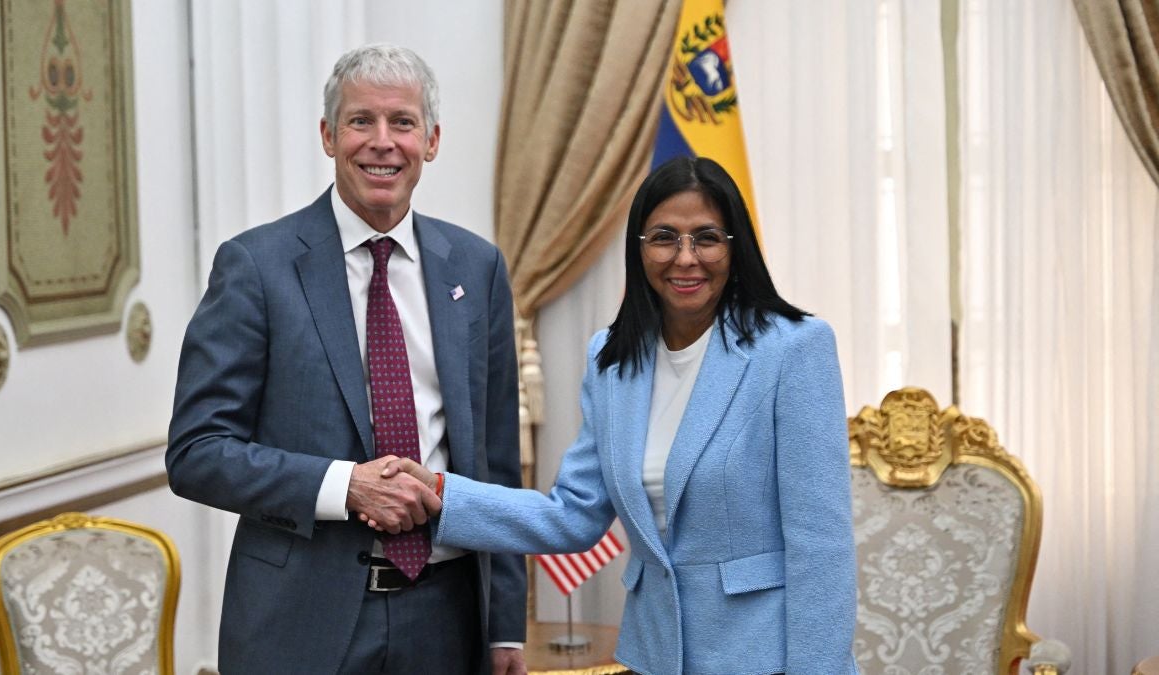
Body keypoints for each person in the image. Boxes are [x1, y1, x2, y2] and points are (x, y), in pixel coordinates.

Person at [378, 156, 858, 674]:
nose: (686, 258)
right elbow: (573, 514)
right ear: (639, 247)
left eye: (707, 238)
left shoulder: (793, 349)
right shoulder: (611, 360)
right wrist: (442, 492)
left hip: (765, 658)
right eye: (664, 238)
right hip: (654, 656)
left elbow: (821, 548)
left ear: (735, 245)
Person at [166, 44, 527, 675]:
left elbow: (496, 461)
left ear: (431, 141)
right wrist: (345, 487)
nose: (382, 141)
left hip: (447, 620)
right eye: (361, 121)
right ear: (329, 136)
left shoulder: (477, 268)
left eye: (403, 122)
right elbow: (197, 453)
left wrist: (505, 627)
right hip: (298, 624)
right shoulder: (256, 267)